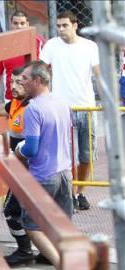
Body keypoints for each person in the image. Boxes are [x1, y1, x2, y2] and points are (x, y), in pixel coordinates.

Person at [15, 61, 73, 270]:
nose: (22, 82)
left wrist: (18, 149)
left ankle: (63, 269)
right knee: (61, 228)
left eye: (25, 79)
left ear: (38, 81)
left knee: (31, 225)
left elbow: (31, 148)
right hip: (64, 173)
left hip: (43, 175)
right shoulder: (61, 103)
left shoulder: (34, 109)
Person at [40, 11, 100, 211]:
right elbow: (41, 71)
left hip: (87, 107)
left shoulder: (90, 47)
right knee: (64, 156)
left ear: (75, 25)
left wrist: (107, 99)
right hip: (62, 109)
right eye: (58, 26)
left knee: (86, 155)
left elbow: (99, 75)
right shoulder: (51, 45)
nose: (61, 30)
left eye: (65, 25)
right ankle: (68, 195)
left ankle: (79, 192)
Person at [0, 67, 37, 266]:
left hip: (27, 166)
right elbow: (4, 107)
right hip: (20, 164)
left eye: (19, 83)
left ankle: (24, 250)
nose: (13, 86)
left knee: (11, 210)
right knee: (31, 210)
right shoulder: (15, 103)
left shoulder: (32, 109)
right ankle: (41, 251)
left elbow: (33, 145)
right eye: (11, 82)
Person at [0, 11, 44, 106]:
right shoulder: (2, 44)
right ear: (11, 24)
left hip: (34, 98)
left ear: (27, 24)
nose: (19, 26)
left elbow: (47, 71)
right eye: (15, 23)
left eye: (22, 23)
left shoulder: (40, 43)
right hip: (11, 98)